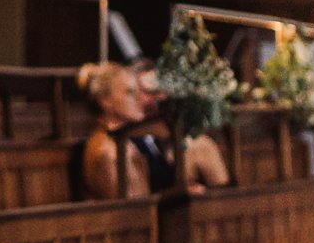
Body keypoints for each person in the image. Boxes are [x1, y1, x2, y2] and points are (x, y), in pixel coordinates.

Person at [76, 59, 231, 198]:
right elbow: (136, 211)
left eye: (137, 91)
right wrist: (179, 195)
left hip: (162, 208)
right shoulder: (108, 151)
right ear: (105, 101)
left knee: (201, 145)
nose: (138, 98)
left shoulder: (135, 134)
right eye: (129, 92)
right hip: (145, 218)